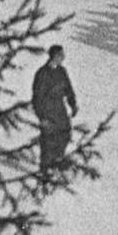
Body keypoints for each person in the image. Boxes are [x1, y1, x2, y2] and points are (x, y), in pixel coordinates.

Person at [31, 44, 77, 174]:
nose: (63, 57)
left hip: (60, 109)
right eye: (61, 55)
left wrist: (72, 104)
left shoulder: (62, 71)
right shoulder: (42, 73)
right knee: (48, 139)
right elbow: (37, 97)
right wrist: (42, 117)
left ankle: (56, 161)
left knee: (65, 134)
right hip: (47, 110)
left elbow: (68, 89)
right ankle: (44, 170)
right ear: (54, 56)